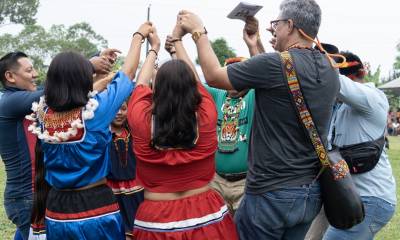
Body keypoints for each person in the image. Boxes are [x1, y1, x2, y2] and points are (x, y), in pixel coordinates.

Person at [177, 0, 340, 238]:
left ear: (290, 25)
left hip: (270, 194)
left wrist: (199, 32)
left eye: (276, 24)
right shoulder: (330, 67)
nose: (273, 29)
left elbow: (213, 76)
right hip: (310, 193)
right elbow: (283, 83)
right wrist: (256, 44)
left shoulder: (274, 64)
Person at [26, 22, 153, 239]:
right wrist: (139, 35)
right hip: (95, 208)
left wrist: (99, 78)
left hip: (56, 209)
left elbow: (70, 90)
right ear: (83, 79)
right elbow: (128, 73)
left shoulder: (42, 112)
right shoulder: (96, 112)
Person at [127, 24, 238, 239]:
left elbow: (140, 83)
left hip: (156, 219)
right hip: (206, 214)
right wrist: (178, 43)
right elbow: (197, 81)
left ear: (156, 89)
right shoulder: (206, 116)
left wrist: (153, 48)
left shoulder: (140, 120)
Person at [165, 34, 255, 216]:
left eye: (237, 74)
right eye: (228, 73)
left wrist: (254, 43)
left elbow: (264, 71)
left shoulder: (254, 96)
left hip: (245, 184)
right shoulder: (217, 95)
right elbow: (193, 78)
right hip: (216, 181)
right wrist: (177, 46)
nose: (232, 78)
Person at [321, 51, 396, 240]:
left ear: (359, 75)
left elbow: (333, 81)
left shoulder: (372, 97)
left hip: (371, 199)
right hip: (346, 198)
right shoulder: (338, 109)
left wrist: (308, 55)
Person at [0, 51, 41, 240]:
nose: (35, 74)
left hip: (29, 196)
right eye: (29, 70)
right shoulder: (10, 101)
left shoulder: (20, 101)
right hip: (26, 197)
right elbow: (57, 91)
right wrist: (87, 65)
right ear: (10, 76)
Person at [107, 101, 144, 239]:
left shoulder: (135, 133)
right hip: (113, 194)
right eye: (114, 109)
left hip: (137, 192)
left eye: (123, 108)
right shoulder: (103, 135)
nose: (119, 113)